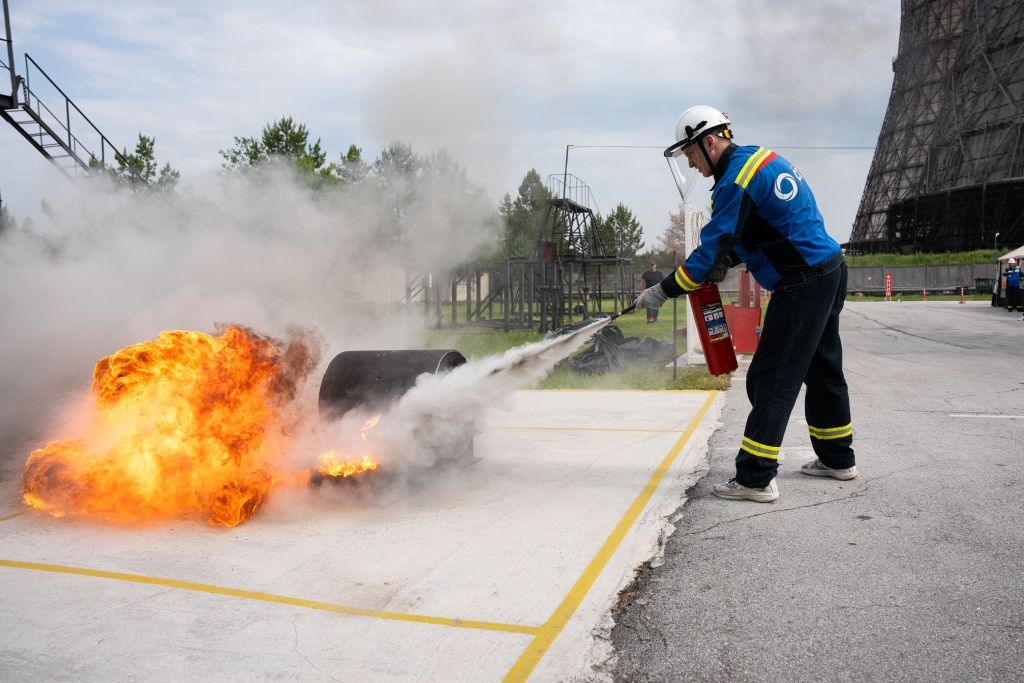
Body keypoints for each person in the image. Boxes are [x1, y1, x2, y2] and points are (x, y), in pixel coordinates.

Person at [635, 105, 857, 503]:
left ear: (709, 141)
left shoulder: (734, 180)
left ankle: (756, 478)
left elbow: (709, 252)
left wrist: (664, 289)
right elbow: (764, 231)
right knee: (823, 369)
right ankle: (838, 458)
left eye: (691, 155)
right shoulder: (759, 159)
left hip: (802, 282)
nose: (692, 164)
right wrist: (729, 260)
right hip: (828, 270)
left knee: (770, 378)